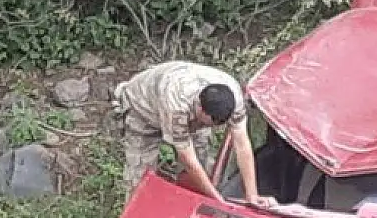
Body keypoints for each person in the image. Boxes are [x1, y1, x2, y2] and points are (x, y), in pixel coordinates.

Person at [110, 61, 277, 207]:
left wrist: (252, 195)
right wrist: (218, 202)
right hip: (143, 111)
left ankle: (186, 208)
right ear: (200, 109)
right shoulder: (177, 106)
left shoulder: (234, 99)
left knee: (202, 166)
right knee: (141, 181)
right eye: (209, 123)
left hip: (185, 109)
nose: (213, 127)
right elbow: (189, 161)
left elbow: (242, 144)